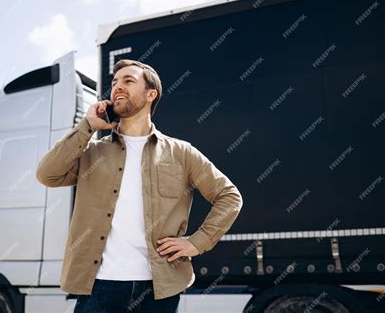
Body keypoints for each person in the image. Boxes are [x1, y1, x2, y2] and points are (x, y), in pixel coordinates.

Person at [36, 59, 243, 312]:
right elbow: (47, 175)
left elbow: (229, 196)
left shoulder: (181, 153)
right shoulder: (92, 152)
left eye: (128, 81)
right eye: (114, 83)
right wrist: (87, 126)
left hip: (158, 290)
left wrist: (197, 242)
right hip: (98, 288)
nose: (117, 87)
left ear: (150, 94)